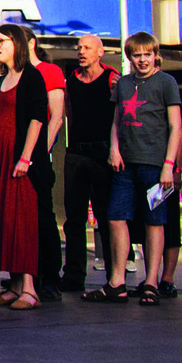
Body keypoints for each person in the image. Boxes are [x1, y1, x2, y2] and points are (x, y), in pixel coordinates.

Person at [85, 32, 181, 306]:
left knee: (154, 222)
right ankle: (117, 282)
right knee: (115, 218)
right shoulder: (124, 84)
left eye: (147, 55)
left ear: (155, 55)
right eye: (137, 55)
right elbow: (116, 121)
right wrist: (114, 149)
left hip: (154, 165)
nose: (142, 60)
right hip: (125, 164)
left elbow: (175, 127)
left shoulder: (167, 83)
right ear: (130, 57)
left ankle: (151, 282)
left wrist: (168, 166)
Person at [0, 24, 51, 310]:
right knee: (3, 219)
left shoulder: (32, 76)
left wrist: (25, 157)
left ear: (16, 43)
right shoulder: (3, 78)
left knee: (22, 220)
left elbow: (37, 118)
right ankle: (14, 284)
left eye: (0, 41)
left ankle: (30, 289)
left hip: (19, 157)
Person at [61, 35, 116, 293]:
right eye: (79, 48)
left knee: (107, 217)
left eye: (86, 48)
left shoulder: (112, 79)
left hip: (102, 152)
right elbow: (68, 112)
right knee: (74, 218)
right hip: (76, 152)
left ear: (100, 52)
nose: (81, 52)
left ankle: (114, 275)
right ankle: (73, 275)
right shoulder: (71, 81)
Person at [24, 29, 66, 301]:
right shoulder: (10, 75)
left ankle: (50, 277)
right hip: (19, 157)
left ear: (30, 43)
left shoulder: (48, 71)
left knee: (44, 217)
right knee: (23, 218)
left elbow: (56, 117)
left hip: (38, 157)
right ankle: (27, 276)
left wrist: (42, 152)